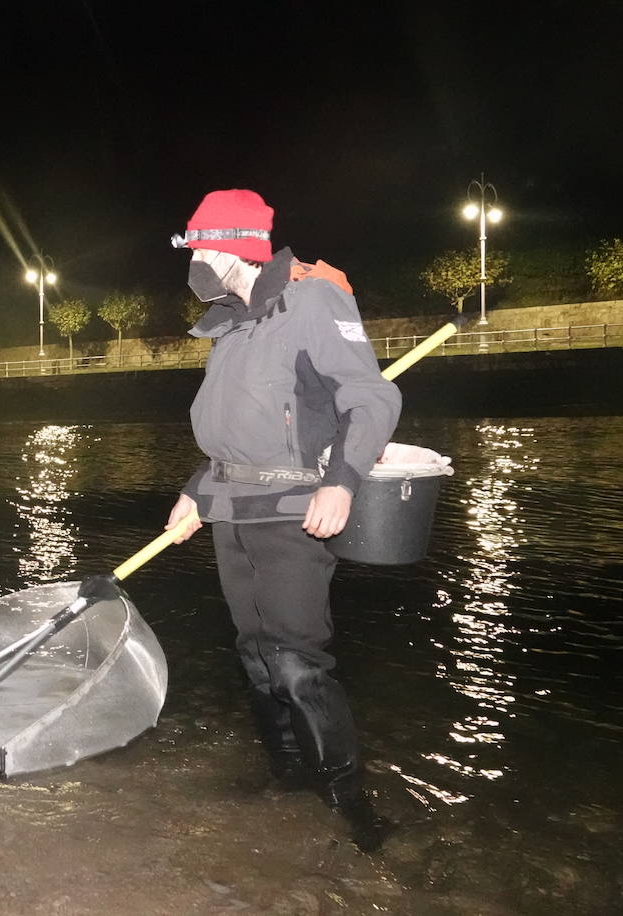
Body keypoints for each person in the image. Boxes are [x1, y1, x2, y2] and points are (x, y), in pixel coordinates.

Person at [165, 189, 402, 852]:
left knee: (297, 661)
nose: (198, 258)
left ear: (239, 243)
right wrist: (195, 492)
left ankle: (347, 802)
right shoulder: (229, 325)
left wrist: (342, 482)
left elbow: (371, 399)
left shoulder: (312, 300)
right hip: (231, 511)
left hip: (295, 507)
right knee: (256, 656)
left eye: (205, 244)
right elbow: (231, 436)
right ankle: (289, 779)